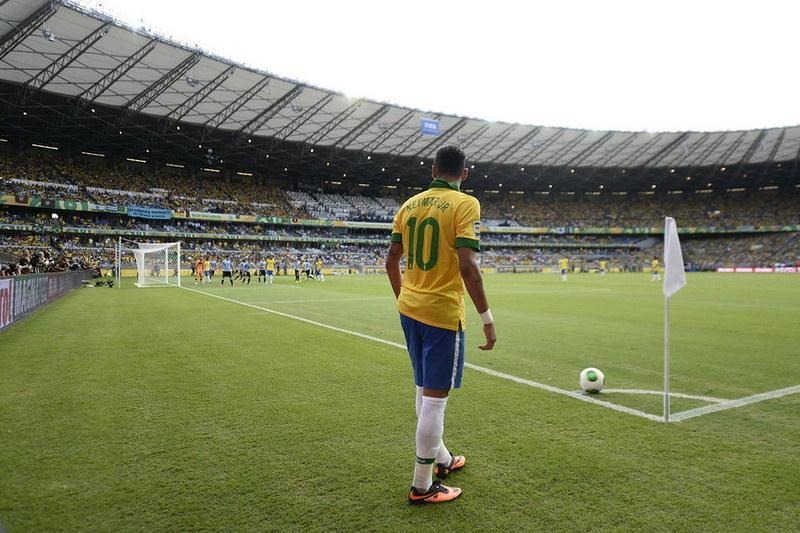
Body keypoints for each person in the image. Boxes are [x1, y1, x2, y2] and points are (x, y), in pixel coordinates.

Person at [385, 145, 497, 505]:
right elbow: (468, 267)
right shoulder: (467, 204)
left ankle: (444, 460)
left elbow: (391, 262)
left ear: (432, 169)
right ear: (465, 174)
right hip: (442, 313)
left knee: (423, 389)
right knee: (435, 401)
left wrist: (407, 297)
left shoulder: (408, 205)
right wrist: (487, 320)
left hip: (410, 309)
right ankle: (422, 485)